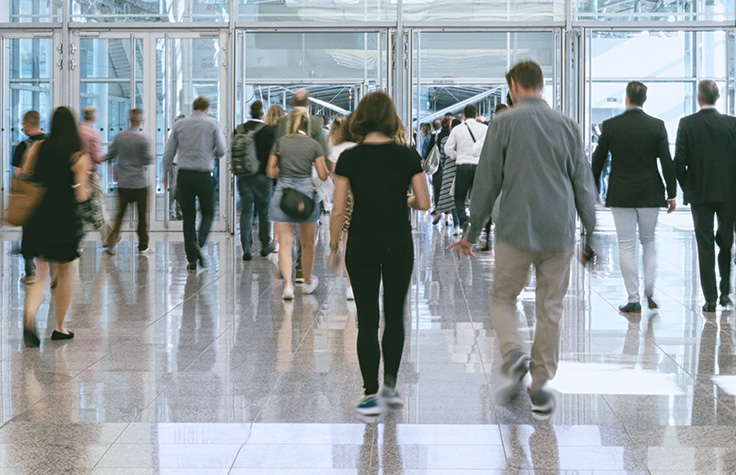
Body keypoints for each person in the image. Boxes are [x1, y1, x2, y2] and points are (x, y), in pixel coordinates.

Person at [449, 61, 597, 419]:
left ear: (513, 86)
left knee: (503, 296)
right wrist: (589, 234)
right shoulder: (567, 125)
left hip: (514, 229)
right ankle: (540, 388)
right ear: (541, 85)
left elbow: (486, 184)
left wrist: (471, 233)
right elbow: (583, 185)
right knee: (550, 308)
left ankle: (514, 354)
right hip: (558, 233)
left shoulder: (503, 123)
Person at [329, 91, 430, 416]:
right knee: (395, 315)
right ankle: (390, 387)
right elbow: (424, 202)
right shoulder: (407, 155)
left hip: (361, 242)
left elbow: (338, 208)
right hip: (398, 241)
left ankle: (369, 393)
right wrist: (401, 200)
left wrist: (334, 246)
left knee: (368, 319)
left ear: (361, 117)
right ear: (391, 118)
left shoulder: (349, 158)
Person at [592, 81, 677, 313]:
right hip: (650, 192)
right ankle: (649, 287)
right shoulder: (656, 125)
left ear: (626, 98)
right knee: (648, 241)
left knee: (626, 245)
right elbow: (666, 162)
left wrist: (593, 190)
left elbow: (597, 162)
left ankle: (633, 298)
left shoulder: (611, 126)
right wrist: (671, 194)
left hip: (621, 193)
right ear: (644, 100)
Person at [23, 107, 91, 346]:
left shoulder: (38, 147)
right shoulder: (77, 155)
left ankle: (30, 320)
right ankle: (59, 327)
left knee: (40, 274)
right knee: (64, 274)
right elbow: (82, 195)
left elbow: (26, 175)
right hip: (63, 217)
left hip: (39, 214)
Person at [674, 80, 736, 313]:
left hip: (699, 193)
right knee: (726, 241)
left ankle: (710, 297)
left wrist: (687, 185)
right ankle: (725, 292)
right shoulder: (732, 124)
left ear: (699, 98)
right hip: (729, 192)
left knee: (705, 241)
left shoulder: (687, 124)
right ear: (717, 97)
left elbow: (679, 162)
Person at [267, 108, 329, 300]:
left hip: (283, 194)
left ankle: (287, 286)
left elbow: (270, 171)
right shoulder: (313, 145)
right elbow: (323, 174)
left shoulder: (280, 143)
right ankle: (307, 280)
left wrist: (284, 174)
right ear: (307, 123)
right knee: (307, 243)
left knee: (285, 243)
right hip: (306, 197)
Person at [163, 96, 227, 271]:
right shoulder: (212, 125)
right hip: (204, 175)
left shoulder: (179, 125)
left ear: (193, 108)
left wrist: (166, 172)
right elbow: (222, 151)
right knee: (208, 212)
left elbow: (169, 153)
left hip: (184, 175)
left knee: (188, 216)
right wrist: (208, 152)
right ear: (206, 109)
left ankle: (191, 259)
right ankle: (199, 242)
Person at [104, 109, 153, 255]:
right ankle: (143, 246)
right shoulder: (143, 139)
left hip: (124, 183)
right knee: (142, 216)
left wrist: (114, 172)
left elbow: (110, 156)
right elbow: (147, 160)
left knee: (120, 214)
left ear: (129, 120)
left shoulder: (119, 137)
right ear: (140, 121)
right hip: (140, 183)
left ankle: (111, 243)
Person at [235, 101, 277, 261]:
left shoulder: (239, 129)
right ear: (262, 114)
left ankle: (246, 246)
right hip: (262, 176)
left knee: (246, 210)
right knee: (264, 210)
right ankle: (265, 245)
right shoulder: (268, 131)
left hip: (243, 176)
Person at [12, 110, 46, 285]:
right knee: (47, 231)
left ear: (27, 124)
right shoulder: (49, 143)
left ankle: (30, 272)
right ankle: (52, 274)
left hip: (29, 196)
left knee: (28, 233)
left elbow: (18, 174)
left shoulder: (22, 146)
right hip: (47, 196)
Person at [444, 104, 487, 231]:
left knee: (459, 198)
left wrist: (457, 156)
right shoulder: (484, 128)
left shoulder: (457, 129)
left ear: (464, 114)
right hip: (479, 167)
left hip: (462, 166)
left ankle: (464, 221)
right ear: (476, 114)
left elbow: (447, 149)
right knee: (478, 198)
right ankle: (476, 222)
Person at [328, 114, 358, 300]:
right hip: (362, 192)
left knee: (348, 238)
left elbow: (334, 173)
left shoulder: (335, 146)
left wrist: (333, 245)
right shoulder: (360, 146)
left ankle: (350, 285)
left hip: (344, 194)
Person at [77, 106, 113, 246]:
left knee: (81, 206)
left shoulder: (76, 130)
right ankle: (108, 238)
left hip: (76, 175)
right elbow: (97, 157)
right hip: (90, 174)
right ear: (93, 117)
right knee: (99, 205)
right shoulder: (93, 133)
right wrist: (108, 157)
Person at [479, 103, 509, 252]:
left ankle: (489, 236)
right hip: (512, 174)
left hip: (497, 173)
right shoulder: (516, 125)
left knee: (491, 205)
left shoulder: (494, 127)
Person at [433, 117, 460, 229]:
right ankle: (458, 224)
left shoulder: (444, 140)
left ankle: (442, 214)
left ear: (451, 127)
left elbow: (442, 159)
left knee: (448, 196)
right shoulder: (462, 140)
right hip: (460, 169)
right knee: (459, 198)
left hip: (448, 170)